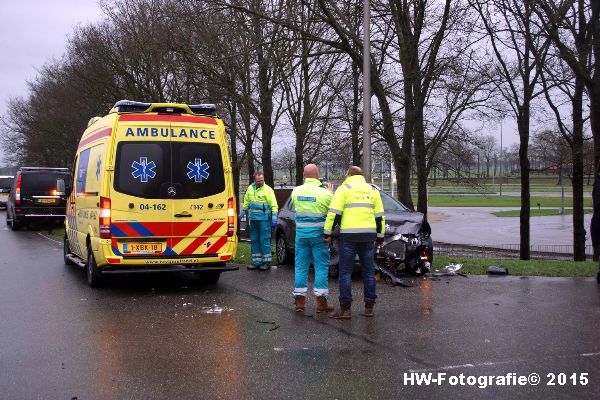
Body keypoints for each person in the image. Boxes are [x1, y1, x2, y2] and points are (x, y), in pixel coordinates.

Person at [324, 166, 385, 319]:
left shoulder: (344, 189)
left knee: (345, 273)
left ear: (349, 174)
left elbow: (334, 214)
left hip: (349, 237)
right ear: (362, 175)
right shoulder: (373, 190)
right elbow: (380, 217)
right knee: (369, 273)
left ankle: (345, 310)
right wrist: (380, 236)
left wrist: (327, 233)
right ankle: (369, 307)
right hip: (368, 237)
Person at [291, 164, 334, 313]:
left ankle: (299, 302)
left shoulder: (296, 191)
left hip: (301, 236)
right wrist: (329, 192)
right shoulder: (325, 194)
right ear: (318, 175)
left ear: (304, 175)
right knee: (321, 267)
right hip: (319, 237)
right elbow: (332, 211)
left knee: (301, 267)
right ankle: (321, 303)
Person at [242, 171, 278, 270]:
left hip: (264, 220)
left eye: (262, 180)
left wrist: (274, 218)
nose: (260, 182)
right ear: (255, 180)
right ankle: (256, 261)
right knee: (254, 240)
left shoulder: (268, 190)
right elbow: (246, 202)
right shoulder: (250, 188)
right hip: (253, 220)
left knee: (264, 240)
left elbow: (274, 205)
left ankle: (266, 262)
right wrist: (242, 213)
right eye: (258, 181)